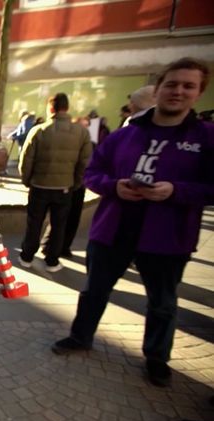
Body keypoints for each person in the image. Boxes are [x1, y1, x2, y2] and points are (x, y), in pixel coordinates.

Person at [51, 58, 214, 388]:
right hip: (113, 230)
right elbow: (92, 173)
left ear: (199, 92)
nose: (178, 91)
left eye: (188, 86)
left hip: (168, 237)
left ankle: (156, 357)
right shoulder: (126, 134)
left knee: (163, 302)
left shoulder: (206, 137)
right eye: (171, 84)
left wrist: (175, 191)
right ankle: (80, 337)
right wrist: (115, 187)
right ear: (158, 89)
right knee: (94, 291)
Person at [18, 93, 92, 272]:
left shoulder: (39, 130)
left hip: (39, 186)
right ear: (66, 107)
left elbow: (26, 160)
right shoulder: (81, 132)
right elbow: (85, 161)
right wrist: (75, 183)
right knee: (59, 225)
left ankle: (27, 256)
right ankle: (52, 260)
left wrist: (27, 180)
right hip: (64, 188)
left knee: (34, 222)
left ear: (50, 107)